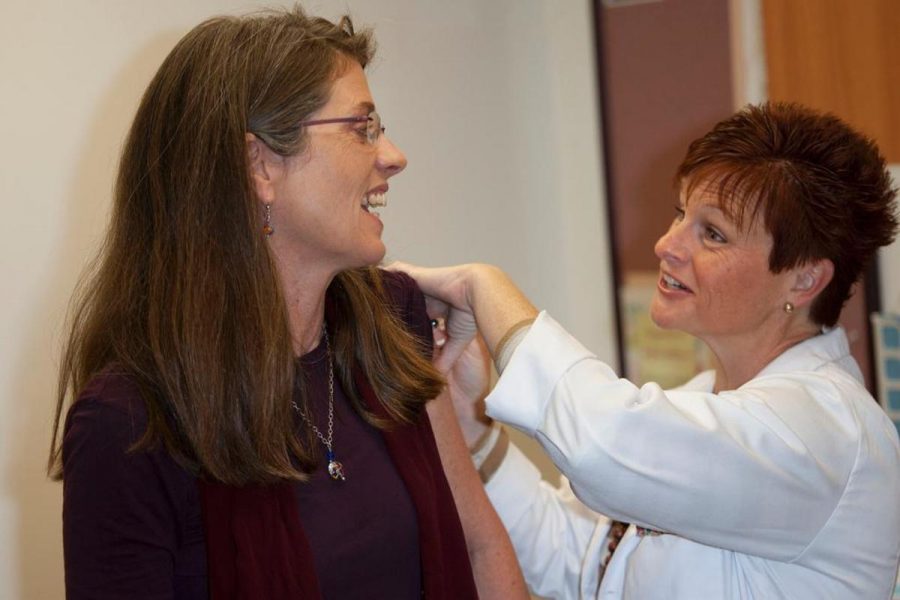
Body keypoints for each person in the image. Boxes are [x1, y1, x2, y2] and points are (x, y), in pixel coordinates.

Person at [48, 6, 527, 599]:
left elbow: (480, 546)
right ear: (259, 166)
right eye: (363, 127)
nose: (394, 156)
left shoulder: (391, 323)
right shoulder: (127, 424)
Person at [396, 102, 900, 599]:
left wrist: (484, 288)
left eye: (713, 234)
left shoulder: (825, 432)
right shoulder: (711, 403)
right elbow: (578, 561)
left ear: (805, 278)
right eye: (681, 213)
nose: (667, 245)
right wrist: (473, 425)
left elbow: (603, 445)